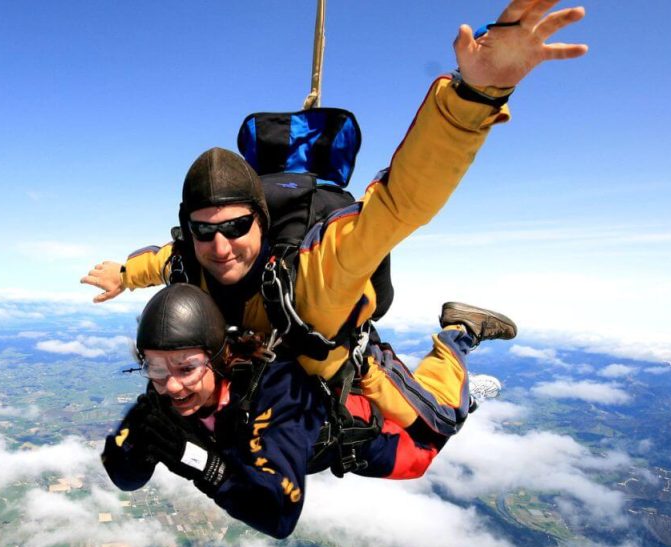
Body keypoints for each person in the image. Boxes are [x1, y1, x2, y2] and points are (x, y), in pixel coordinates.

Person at [84, 1, 586, 449]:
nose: (219, 246)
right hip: (268, 381)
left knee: (435, 425)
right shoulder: (188, 261)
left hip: (336, 368)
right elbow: (158, 261)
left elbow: (399, 202)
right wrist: (121, 276)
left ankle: (460, 335)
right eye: (202, 230)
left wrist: (474, 95)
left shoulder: (317, 269)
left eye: (236, 226)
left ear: (260, 219)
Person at [102, 284, 515, 539]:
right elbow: (124, 475)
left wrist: (199, 463)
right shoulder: (162, 396)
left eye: (186, 368)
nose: (170, 384)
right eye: (154, 367)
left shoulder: (274, 389)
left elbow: (280, 517)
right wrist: (136, 451)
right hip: (306, 435)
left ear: (221, 357)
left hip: (364, 431)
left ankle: (459, 334)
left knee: (427, 446)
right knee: (427, 427)